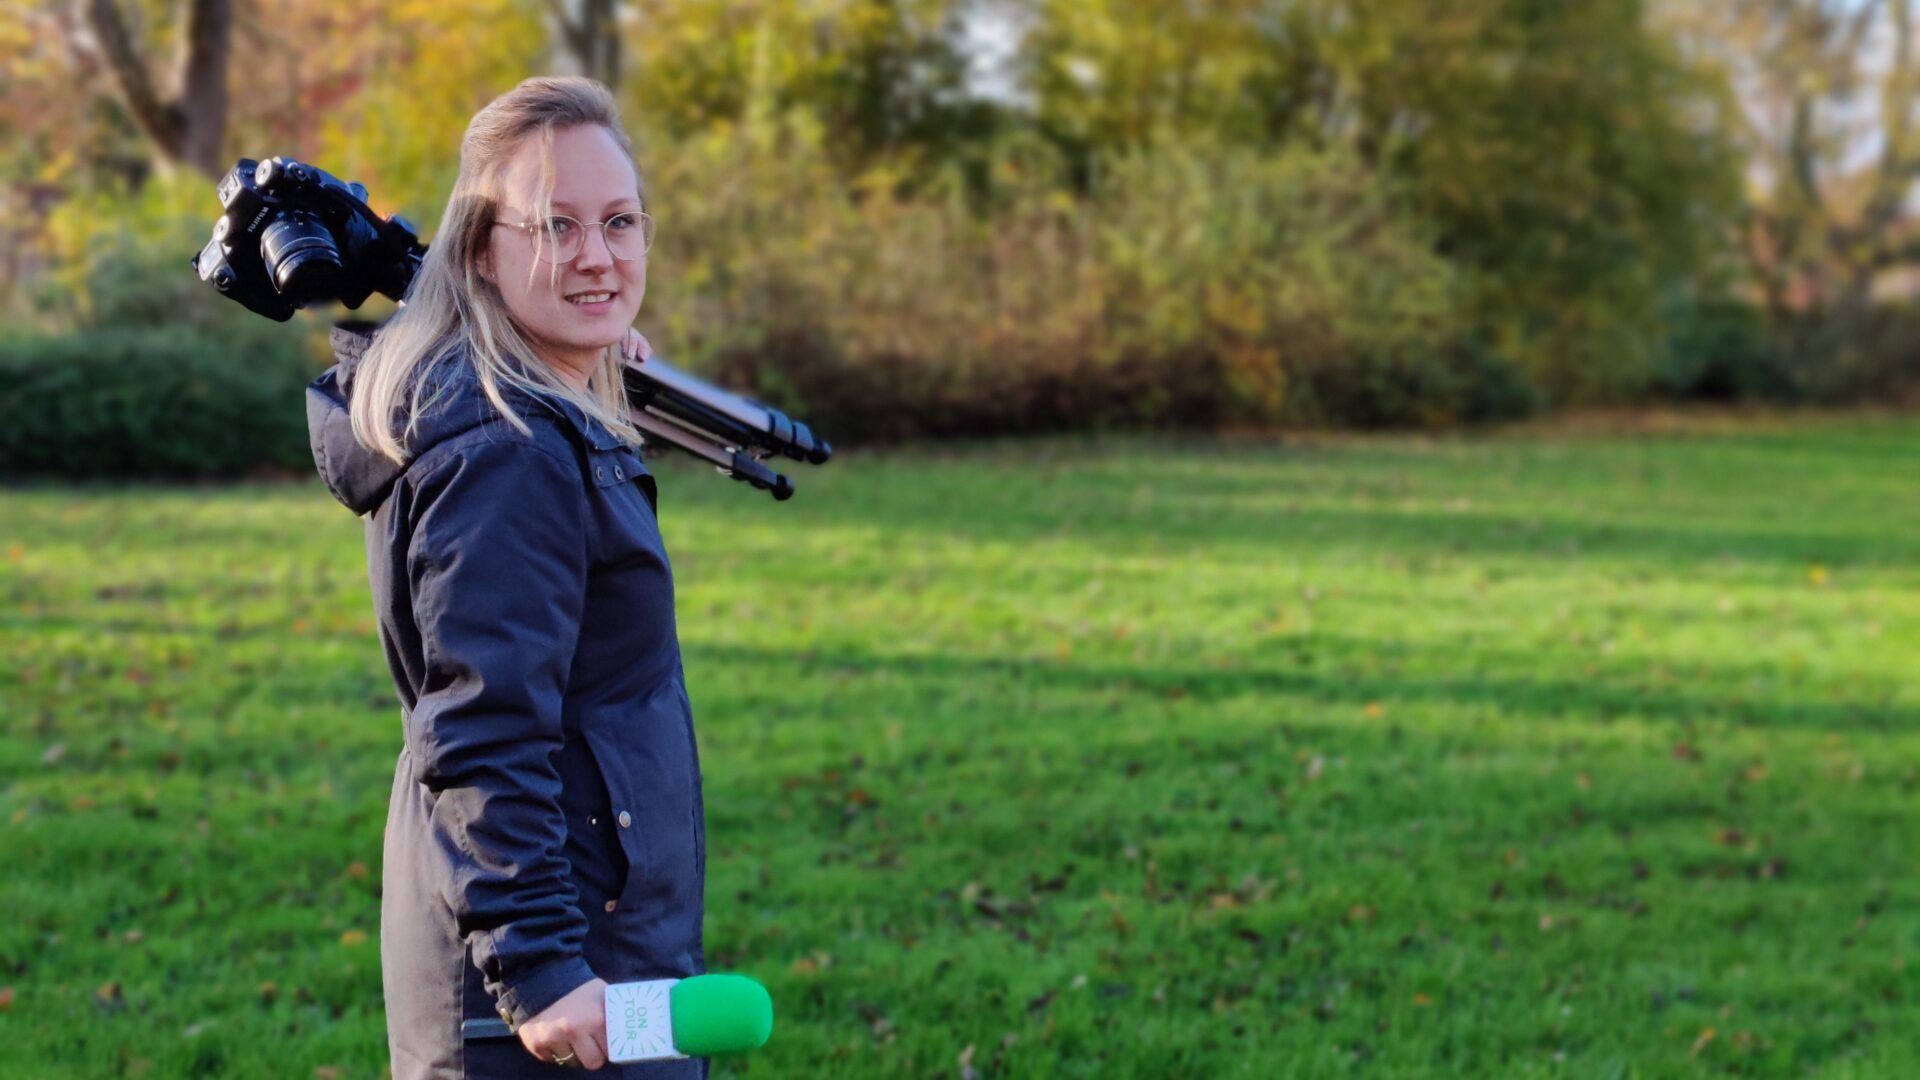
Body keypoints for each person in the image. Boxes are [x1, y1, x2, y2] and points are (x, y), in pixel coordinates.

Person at [305, 76, 706, 1077]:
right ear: (482, 250)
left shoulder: (530, 405)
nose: (598, 255)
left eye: (620, 222)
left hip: (590, 929)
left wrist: (589, 338)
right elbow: (482, 723)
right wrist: (538, 970)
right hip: (542, 971)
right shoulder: (509, 453)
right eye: (553, 226)